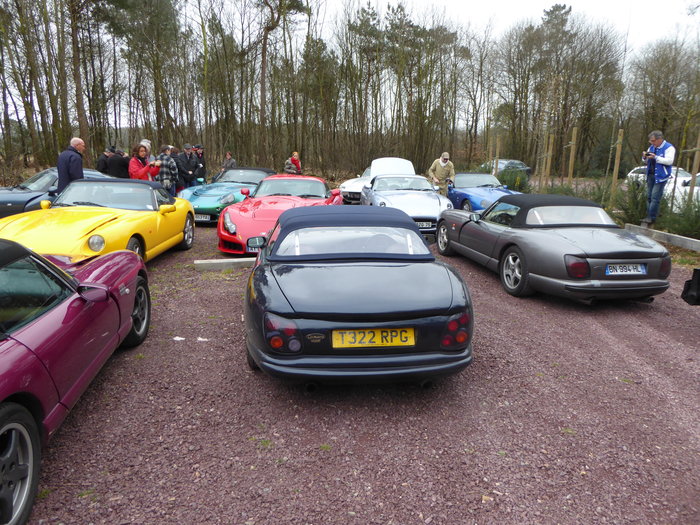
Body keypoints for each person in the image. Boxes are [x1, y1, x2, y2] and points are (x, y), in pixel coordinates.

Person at [643, 130, 675, 224]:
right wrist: (645, 157)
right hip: (651, 175)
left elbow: (669, 161)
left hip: (661, 176)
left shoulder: (669, 148)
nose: (652, 143)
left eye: (653, 141)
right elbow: (645, 161)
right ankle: (648, 216)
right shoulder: (651, 147)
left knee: (654, 197)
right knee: (648, 196)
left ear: (659, 139)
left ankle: (652, 217)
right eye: (651, 141)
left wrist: (656, 157)